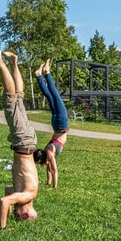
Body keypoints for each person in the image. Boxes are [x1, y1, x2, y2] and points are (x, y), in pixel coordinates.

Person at [0, 46, 39, 230]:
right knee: (10, 99)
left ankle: (13, 62)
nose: (15, 210)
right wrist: (3, 227)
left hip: (27, 142)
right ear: (26, 213)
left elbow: (8, 191)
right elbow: (4, 200)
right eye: (17, 214)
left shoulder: (24, 194)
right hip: (23, 141)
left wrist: (12, 202)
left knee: (19, 98)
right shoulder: (27, 196)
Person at [33, 58, 69, 189]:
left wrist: (54, 186)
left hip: (61, 124)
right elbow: (50, 170)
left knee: (55, 96)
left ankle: (47, 73)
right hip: (56, 124)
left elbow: (54, 170)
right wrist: (48, 183)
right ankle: (38, 75)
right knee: (50, 96)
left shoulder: (50, 153)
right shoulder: (48, 152)